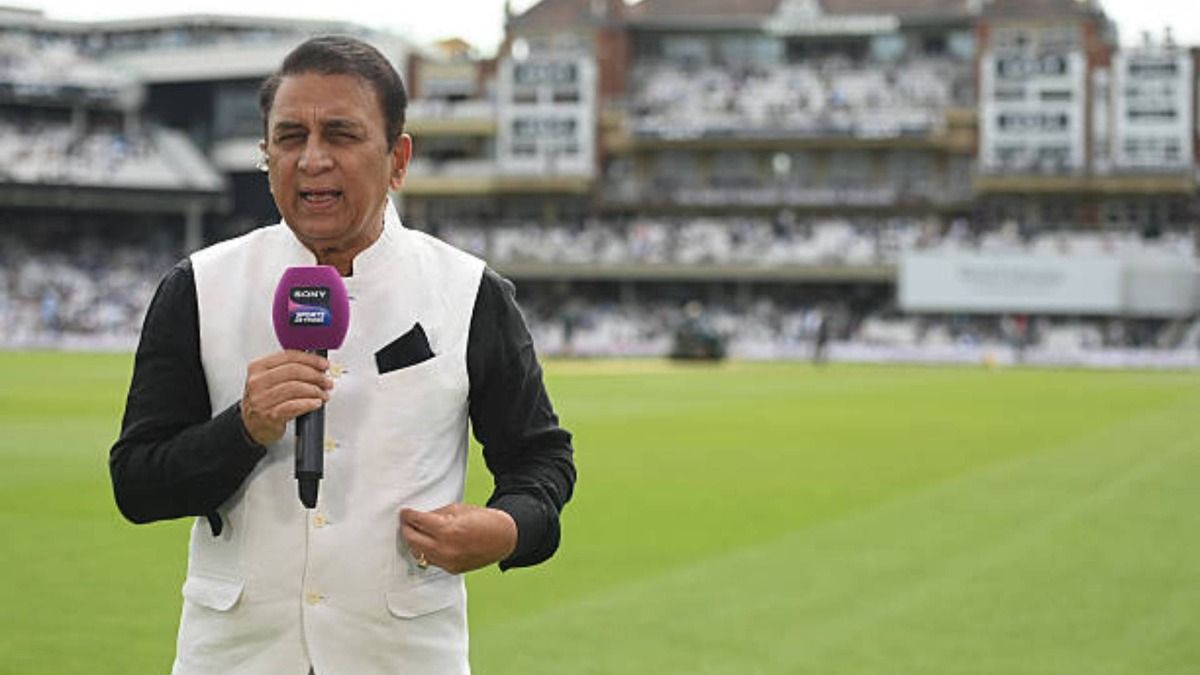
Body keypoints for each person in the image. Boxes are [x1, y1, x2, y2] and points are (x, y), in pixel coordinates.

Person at [109, 36, 575, 675]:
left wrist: (507, 529)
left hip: (403, 658)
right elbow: (136, 485)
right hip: (236, 658)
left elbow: (540, 459)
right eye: (289, 137)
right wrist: (242, 429)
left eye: (341, 134)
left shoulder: (470, 293)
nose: (312, 159)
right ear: (266, 154)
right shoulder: (198, 286)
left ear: (397, 159)